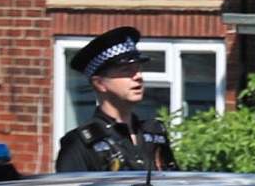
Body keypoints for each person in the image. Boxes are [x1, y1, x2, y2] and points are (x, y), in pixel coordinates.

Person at [56, 27, 177, 172]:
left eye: (138, 68)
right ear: (100, 83)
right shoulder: (79, 143)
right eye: (126, 70)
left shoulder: (154, 133)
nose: (138, 76)